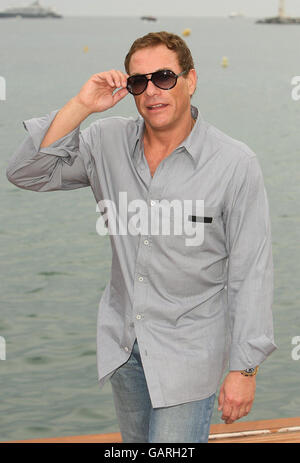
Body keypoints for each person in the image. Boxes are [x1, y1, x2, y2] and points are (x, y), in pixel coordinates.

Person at [6, 31, 277, 443]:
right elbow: (28, 172)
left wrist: (245, 370)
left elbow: (251, 272)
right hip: (124, 347)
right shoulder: (105, 142)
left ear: (191, 80)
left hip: (189, 353)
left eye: (164, 77)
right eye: (139, 82)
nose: (152, 91)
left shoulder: (235, 164)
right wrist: (82, 105)